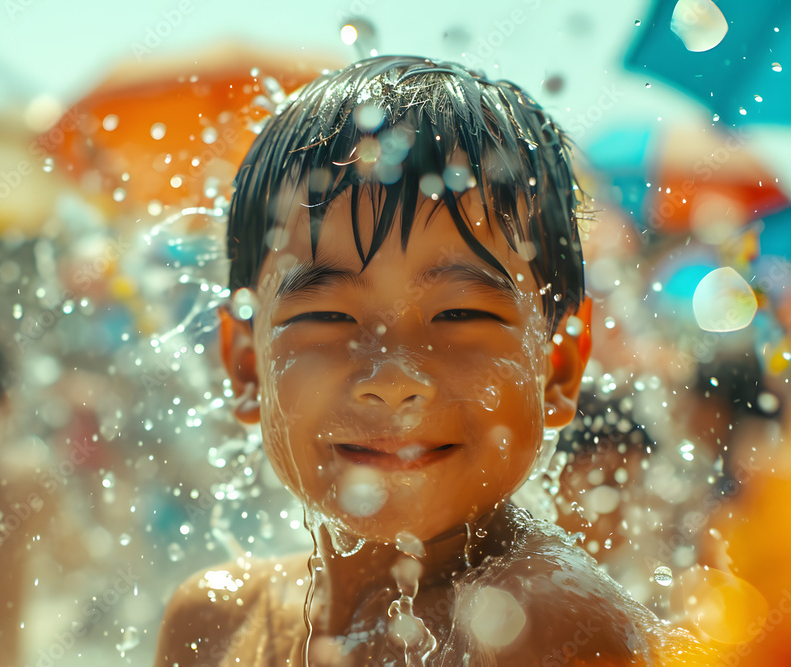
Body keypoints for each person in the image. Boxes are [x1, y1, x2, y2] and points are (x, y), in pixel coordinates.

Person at [156, 55, 711, 666]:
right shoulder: (215, 622)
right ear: (245, 365)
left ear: (556, 368)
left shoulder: (542, 630)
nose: (393, 379)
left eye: (460, 316)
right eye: (329, 317)